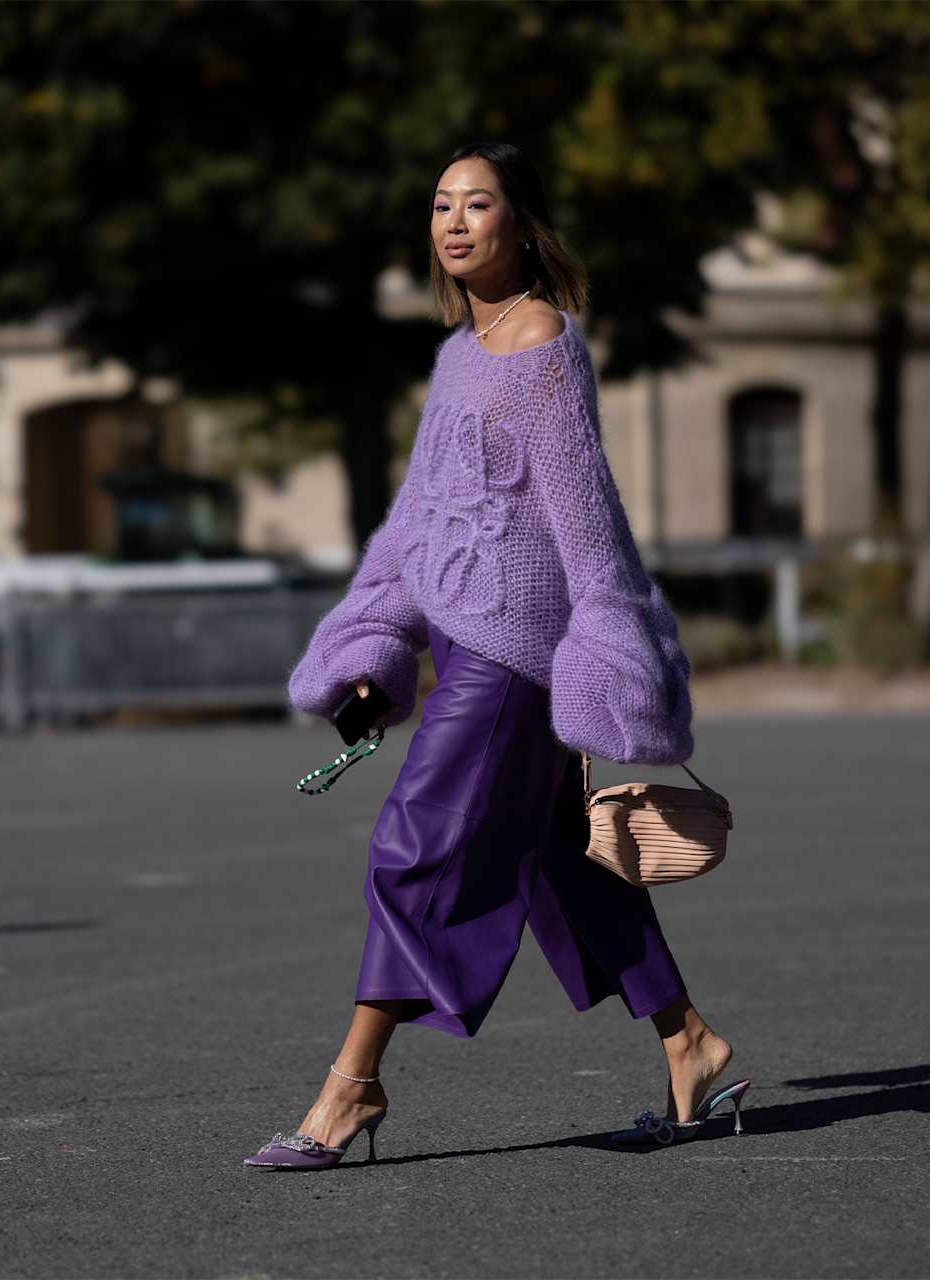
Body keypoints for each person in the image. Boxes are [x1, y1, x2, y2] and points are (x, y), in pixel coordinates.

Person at [244, 141, 747, 1170]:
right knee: (568, 860)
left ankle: (352, 1086)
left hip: (516, 661)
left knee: (413, 843)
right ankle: (690, 1041)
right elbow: (424, 520)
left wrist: (617, 650)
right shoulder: (461, 354)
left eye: (480, 204)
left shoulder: (544, 348)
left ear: (524, 225)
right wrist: (380, 639)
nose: (456, 221)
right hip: (465, 646)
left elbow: (586, 517)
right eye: (441, 205)